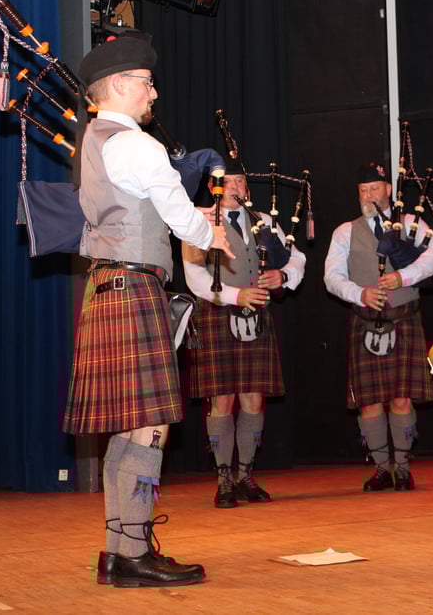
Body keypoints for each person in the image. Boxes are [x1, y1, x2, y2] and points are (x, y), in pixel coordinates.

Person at [62, 35, 233, 587]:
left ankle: (119, 551)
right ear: (118, 84)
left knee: (129, 428)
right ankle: (134, 554)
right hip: (134, 288)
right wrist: (210, 232)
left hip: (107, 286)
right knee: (149, 425)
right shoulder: (138, 145)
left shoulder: (95, 140)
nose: (153, 92)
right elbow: (180, 217)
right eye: (146, 82)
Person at [182, 158, 306, 508]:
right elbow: (195, 277)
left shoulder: (263, 221)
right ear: (214, 188)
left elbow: (296, 257)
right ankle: (224, 479)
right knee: (221, 399)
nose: (235, 188)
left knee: (253, 398)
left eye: (240, 182)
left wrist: (283, 276)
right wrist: (237, 295)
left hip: (257, 315)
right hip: (217, 313)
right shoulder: (198, 221)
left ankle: (245, 476)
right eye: (228, 182)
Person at [324, 162, 433, 492]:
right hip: (365, 321)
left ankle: (402, 469)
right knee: (369, 401)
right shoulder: (345, 231)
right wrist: (359, 294)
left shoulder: (411, 223)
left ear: (388, 190)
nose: (369, 195)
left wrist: (404, 276)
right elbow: (332, 276)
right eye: (363, 191)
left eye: (375, 189)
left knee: (402, 399)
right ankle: (380, 469)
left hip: (404, 317)